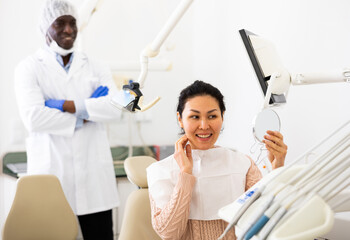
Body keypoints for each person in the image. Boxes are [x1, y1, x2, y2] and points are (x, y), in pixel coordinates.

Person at [14, 0, 122, 239]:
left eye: (72, 22)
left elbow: (117, 107)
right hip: (52, 175)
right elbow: (34, 117)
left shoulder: (96, 66)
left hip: (94, 181)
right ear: (45, 28)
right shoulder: (29, 68)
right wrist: (87, 114)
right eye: (59, 23)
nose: (68, 29)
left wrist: (66, 106)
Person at [147, 80, 288, 240]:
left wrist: (277, 168)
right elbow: (168, 233)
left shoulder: (242, 164)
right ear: (180, 119)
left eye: (212, 116)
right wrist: (185, 174)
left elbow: (267, 218)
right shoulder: (161, 171)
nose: (204, 125)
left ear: (222, 116)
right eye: (194, 116)